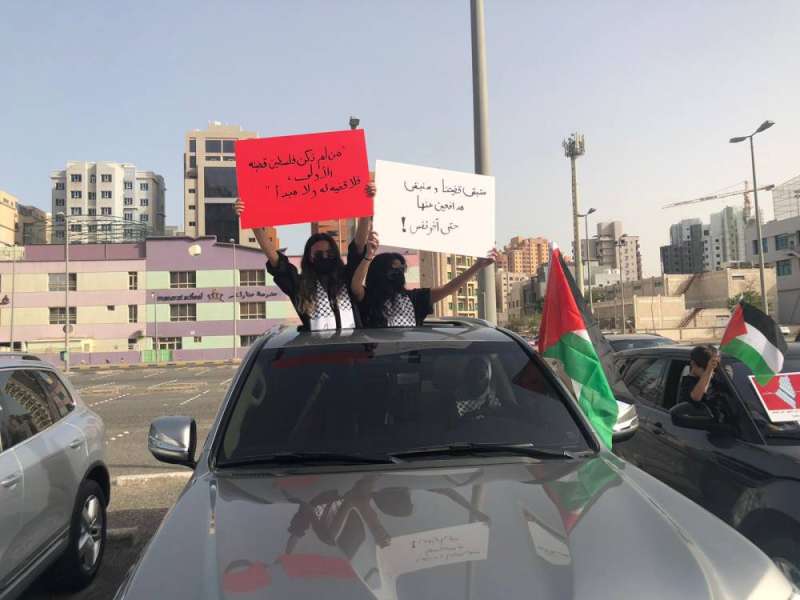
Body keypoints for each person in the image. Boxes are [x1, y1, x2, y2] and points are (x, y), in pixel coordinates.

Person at [234, 184, 375, 331]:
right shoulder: (300, 286)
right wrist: (252, 222)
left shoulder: (348, 278)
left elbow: (358, 247)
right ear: (309, 257)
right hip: (315, 346)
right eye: (318, 254)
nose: (325, 256)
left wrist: (367, 204)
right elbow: (277, 263)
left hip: (355, 345)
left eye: (329, 253)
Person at [351, 233, 499, 327]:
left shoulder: (414, 298)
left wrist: (478, 266)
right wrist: (369, 256)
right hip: (377, 362)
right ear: (379, 271)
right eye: (393, 269)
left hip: (411, 361)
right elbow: (356, 286)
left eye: (401, 269)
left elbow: (448, 289)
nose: (398, 273)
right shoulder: (369, 298)